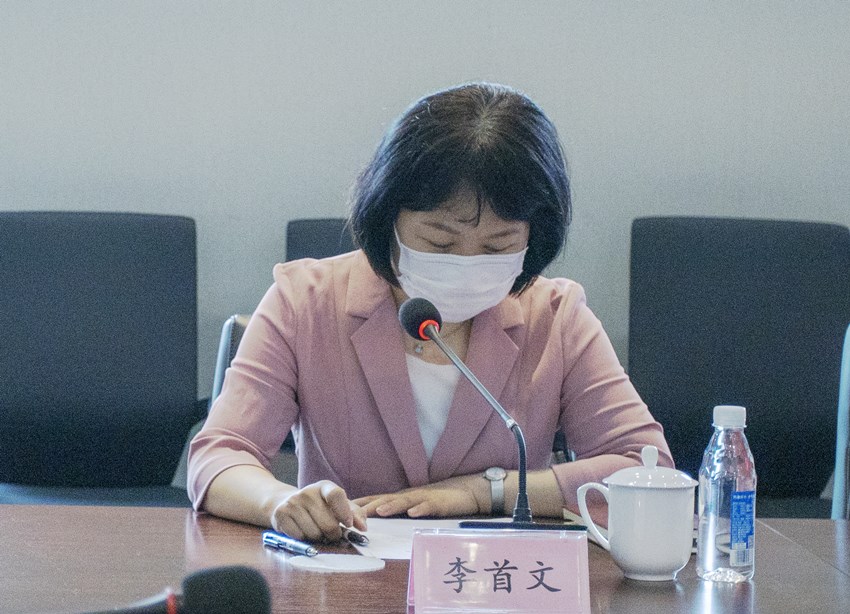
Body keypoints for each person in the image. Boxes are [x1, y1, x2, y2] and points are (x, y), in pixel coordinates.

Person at [188, 82, 672, 542]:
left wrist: (485, 492)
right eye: (439, 241)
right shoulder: (305, 302)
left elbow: (644, 469)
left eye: (497, 246)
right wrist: (280, 503)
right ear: (388, 218)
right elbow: (220, 455)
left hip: (493, 580)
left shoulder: (556, 316)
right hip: (346, 575)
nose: (466, 264)